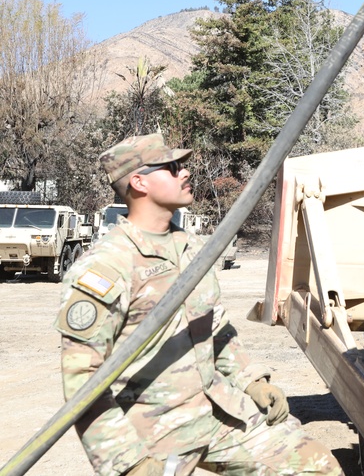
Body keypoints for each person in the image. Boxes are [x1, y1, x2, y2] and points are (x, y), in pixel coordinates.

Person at [54, 133, 341, 476]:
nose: (185, 172)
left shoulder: (192, 248)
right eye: (173, 167)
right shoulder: (106, 266)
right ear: (138, 181)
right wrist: (128, 463)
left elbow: (216, 329)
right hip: (154, 433)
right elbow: (83, 381)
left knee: (316, 466)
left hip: (218, 412)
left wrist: (251, 380)